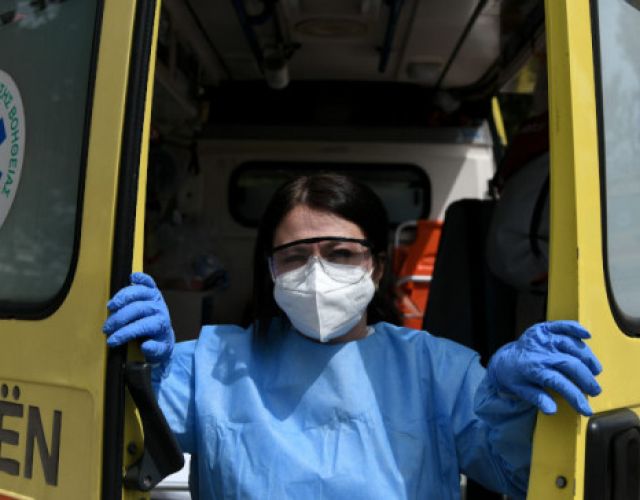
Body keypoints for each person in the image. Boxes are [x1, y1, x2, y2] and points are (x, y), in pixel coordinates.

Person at [103, 173, 602, 500]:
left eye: (340, 254)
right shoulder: (213, 364)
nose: (316, 272)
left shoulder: (437, 369)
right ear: (271, 271)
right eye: (295, 257)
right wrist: (144, 370)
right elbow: (123, 440)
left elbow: (522, 476)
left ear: (377, 267)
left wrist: (515, 405)